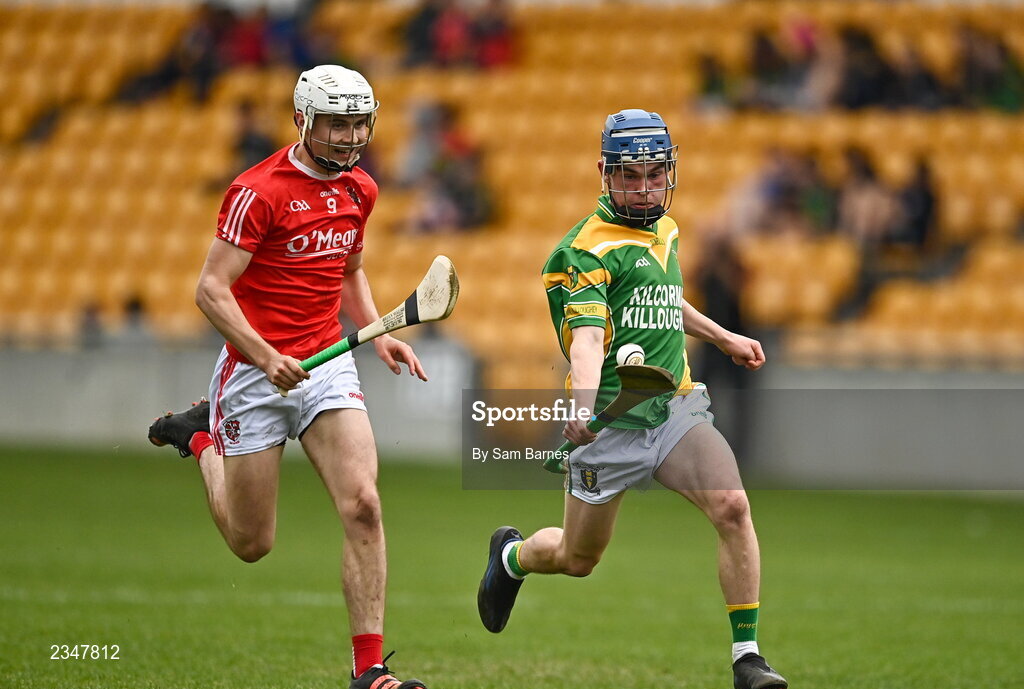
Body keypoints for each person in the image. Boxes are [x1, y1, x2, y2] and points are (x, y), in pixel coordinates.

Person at [477, 109, 788, 689]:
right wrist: (580, 407)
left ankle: (748, 659)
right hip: (608, 425)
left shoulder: (665, 231)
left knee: (733, 508)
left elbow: (667, 299)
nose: (644, 188)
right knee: (577, 558)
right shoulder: (584, 252)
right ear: (604, 172)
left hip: (674, 409)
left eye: (654, 174)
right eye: (630, 175)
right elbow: (589, 341)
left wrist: (722, 336)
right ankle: (512, 556)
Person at [147, 65, 430, 689]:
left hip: (327, 366)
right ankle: (199, 439)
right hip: (255, 376)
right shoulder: (259, 191)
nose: (351, 137)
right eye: (337, 124)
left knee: (364, 506)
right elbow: (211, 290)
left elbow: (348, 269)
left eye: (360, 123)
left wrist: (381, 336)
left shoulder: (361, 188)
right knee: (252, 543)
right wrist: (264, 354)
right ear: (302, 120)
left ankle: (370, 672)